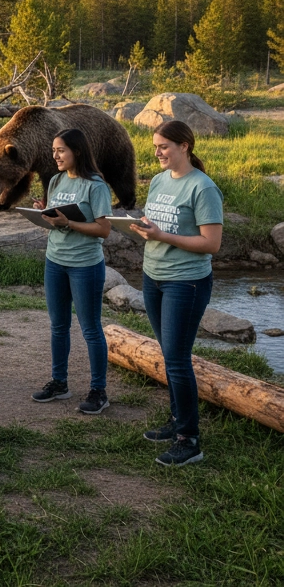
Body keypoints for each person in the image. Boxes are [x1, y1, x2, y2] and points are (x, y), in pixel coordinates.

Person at [131, 120, 222, 467]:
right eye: (155, 146)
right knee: (170, 356)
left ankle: (189, 440)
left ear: (185, 145)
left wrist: (162, 237)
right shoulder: (158, 181)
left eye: (163, 146)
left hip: (186, 282)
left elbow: (211, 244)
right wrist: (143, 227)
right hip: (153, 276)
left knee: (178, 359)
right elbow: (160, 223)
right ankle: (177, 420)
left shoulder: (203, 188)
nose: (157, 152)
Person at [30, 128, 113, 414]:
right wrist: (45, 211)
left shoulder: (96, 186)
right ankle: (59, 382)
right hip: (55, 261)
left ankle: (98, 390)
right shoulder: (55, 180)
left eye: (61, 150)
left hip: (85, 265)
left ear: (77, 151)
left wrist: (69, 223)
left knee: (90, 329)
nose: (55, 156)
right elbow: (58, 218)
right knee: (58, 326)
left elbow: (104, 229)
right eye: (53, 150)